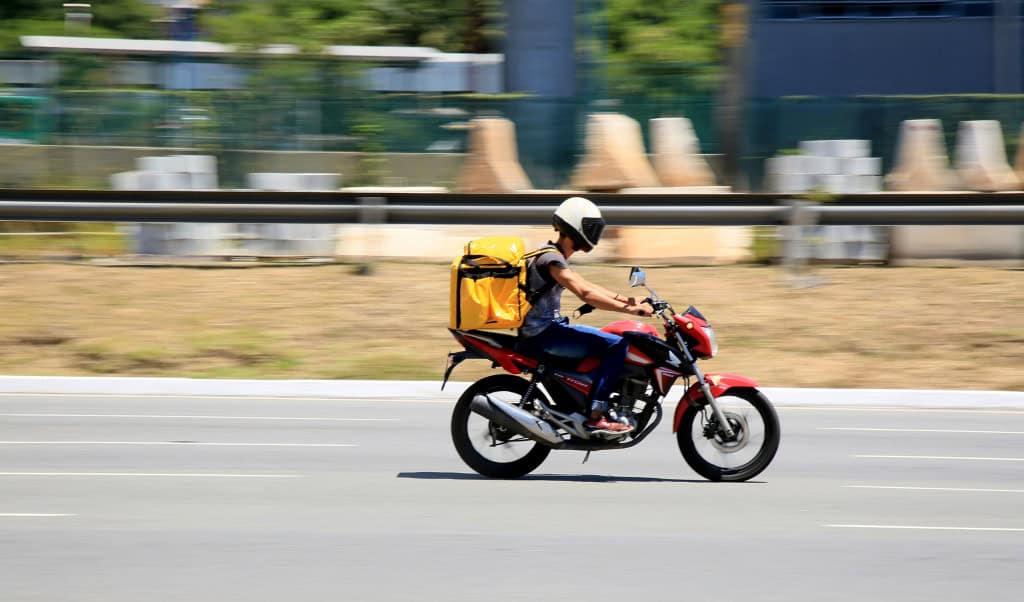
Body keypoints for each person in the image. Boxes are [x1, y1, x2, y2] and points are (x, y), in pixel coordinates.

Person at [518, 196, 654, 434]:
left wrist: (629, 300)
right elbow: (585, 292)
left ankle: (585, 397)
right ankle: (596, 415)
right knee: (616, 345)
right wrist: (630, 309)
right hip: (542, 334)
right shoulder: (551, 259)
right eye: (591, 227)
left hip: (547, 329)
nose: (595, 234)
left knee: (606, 338)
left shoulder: (555, 255)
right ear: (576, 227)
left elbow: (588, 285)